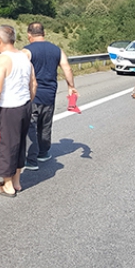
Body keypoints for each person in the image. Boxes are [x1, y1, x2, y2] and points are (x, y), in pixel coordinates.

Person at [0, 25, 37, 197]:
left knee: (4, 145)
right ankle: (16, 182)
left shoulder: (1, 60)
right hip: (24, 106)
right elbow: (33, 84)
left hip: (8, 108)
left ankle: (8, 186)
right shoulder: (24, 57)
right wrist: (26, 101)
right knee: (19, 144)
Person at [22, 22, 78, 171]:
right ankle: (43, 152)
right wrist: (71, 86)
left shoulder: (26, 51)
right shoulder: (57, 50)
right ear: (44, 33)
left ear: (29, 35)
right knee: (45, 125)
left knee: (31, 127)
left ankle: (31, 160)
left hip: (32, 95)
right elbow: (67, 68)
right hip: (50, 94)